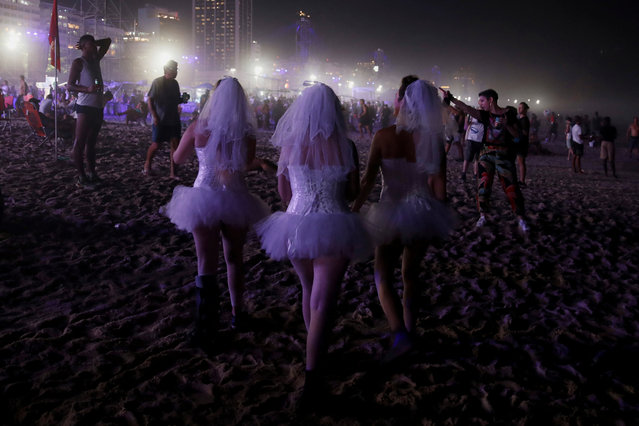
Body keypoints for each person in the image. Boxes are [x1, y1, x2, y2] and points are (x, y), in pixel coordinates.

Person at [256, 83, 370, 410]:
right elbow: (350, 192)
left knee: (309, 292)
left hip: (295, 224)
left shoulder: (290, 146)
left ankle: (314, 354)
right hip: (334, 223)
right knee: (323, 303)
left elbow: (282, 190)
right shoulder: (346, 146)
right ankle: (313, 379)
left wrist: (300, 205)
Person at [353, 78, 454, 362]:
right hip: (423, 211)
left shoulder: (384, 135)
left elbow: (368, 180)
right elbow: (439, 185)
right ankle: (411, 328)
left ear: (401, 100)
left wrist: (355, 208)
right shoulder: (433, 139)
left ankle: (400, 334)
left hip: (390, 209)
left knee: (382, 273)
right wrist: (439, 217)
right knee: (412, 275)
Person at [163, 78, 270, 343]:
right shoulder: (245, 133)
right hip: (234, 197)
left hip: (203, 197)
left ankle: (206, 326)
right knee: (234, 258)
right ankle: (238, 314)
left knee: (205, 262)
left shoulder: (198, 127)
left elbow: (177, 159)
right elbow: (242, 166)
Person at [444, 88, 527, 232]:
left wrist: (506, 125)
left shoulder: (509, 114)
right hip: (486, 154)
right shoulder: (484, 115)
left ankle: (520, 218)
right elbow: (466, 108)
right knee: (483, 186)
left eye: (482, 101)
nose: (479, 104)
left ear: (491, 100)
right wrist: (451, 98)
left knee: (511, 186)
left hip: (504, 155)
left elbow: (518, 136)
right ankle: (483, 216)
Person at [67, 34, 111, 188]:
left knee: (91, 143)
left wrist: (90, 42)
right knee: (79, 143)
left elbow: (107, 41)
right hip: (84, 107)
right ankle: (81, 177)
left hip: (97, 107)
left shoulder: (96, 59)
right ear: (85, 46)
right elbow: (69, 85)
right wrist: (87, 89)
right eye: (91, 44)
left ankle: (92, 173)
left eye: (94, 44)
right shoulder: (79, 62)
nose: (95, 47)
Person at [145, 60, 182, 178]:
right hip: (160, 119)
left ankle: (173, 173)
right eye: (174, 69)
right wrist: (154, 116)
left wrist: (182, 101)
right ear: (167, 70)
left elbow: (176, 100)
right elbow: (150, 100)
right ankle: (147, 165)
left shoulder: (175, 84)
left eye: (177, 69)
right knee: (156, 144)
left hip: (174, 119)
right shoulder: (157, 82)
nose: (176, 71)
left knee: (174, 146)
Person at [462, 112, 485, 182]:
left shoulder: (485, 116)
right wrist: (467, 119)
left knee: (477, 158)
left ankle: (475, 174)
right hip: (471, 139)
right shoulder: (471, 115)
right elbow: (466, 127)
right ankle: (464, 173)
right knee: (467, 157)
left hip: (480, 139)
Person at [515, 102, 530, 187]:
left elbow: (525, 133)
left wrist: (517, 130)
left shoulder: (524, 120)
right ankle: (521, 180)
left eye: (521, 108)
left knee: (521, 162)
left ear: (525, 110)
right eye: (519, 107)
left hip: (522, 143)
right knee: (519, 161)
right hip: (519, 142)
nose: (519, 109)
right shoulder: (520, 118)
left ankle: (522, 181)